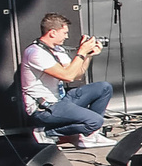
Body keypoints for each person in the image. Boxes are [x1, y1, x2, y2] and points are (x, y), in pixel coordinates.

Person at [18, 14, 115, 147]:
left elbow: (76, 75)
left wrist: (88, 55)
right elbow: (67, 76)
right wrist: (81, 51)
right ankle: (47, 132)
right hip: (44, 109)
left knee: (104, 87)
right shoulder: (35, 53)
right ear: (52, 33)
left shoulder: (57, 50)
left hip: (61, 100)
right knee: (96, 121)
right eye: (64, 33)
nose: (67, 37)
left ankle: (90, 135)